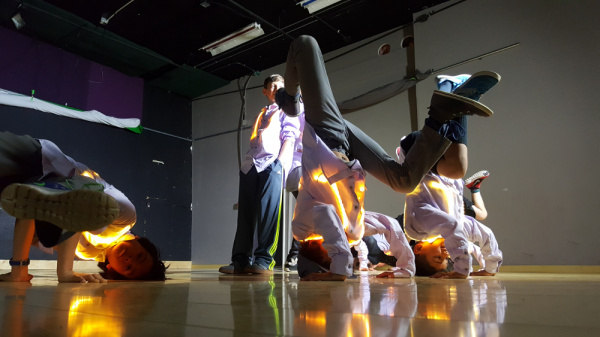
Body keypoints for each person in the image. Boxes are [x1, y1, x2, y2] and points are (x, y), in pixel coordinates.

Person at [275, 35, 494, 281]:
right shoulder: (354, 230)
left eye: (334, 256)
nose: (345, 252)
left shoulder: (303, 229)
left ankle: (290, 100)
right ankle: (442, 112)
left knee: (305, 44)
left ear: (321, 251)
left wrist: (338, 271)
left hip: (326, 137)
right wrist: (405, 267)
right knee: (405, 182)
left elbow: (326, 215)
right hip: (350, 154)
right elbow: (390, 225)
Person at [0, 131, 167, 282]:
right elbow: (80, 207)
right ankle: (54, 188)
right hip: (41, 160)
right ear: (139, 240)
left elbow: (31, 210)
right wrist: (65, 272)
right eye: (140, 256)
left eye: (128, 268)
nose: (130, 259)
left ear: (111, 269)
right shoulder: (126, 219)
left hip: (21, 184)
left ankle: (47, 189)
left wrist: (19, 271)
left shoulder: (87, 253)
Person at [402, 72, 504, 279]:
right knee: (458, 167)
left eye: (437, 258)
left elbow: (453, 227)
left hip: (416, 155)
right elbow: (486, 235)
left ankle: (457, 96)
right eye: (446, 260)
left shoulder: (417, 228)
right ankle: (449, 87)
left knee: (458, 167)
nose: (445, 255)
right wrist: (490, 268)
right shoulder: (452, 225)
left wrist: (461, 271)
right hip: (441, 167)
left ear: (419, 249)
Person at [219, 74, 302, 275]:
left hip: (273, 164)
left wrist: (280, 164)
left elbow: (290, 137)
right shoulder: (264, 112)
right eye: (272, 85)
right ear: (265, 91)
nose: (276, 88)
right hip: (251, 165)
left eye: (280, 85)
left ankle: (264, 260)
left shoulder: (289, 109)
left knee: (269, 213)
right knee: (245, 215)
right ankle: (240, 260)